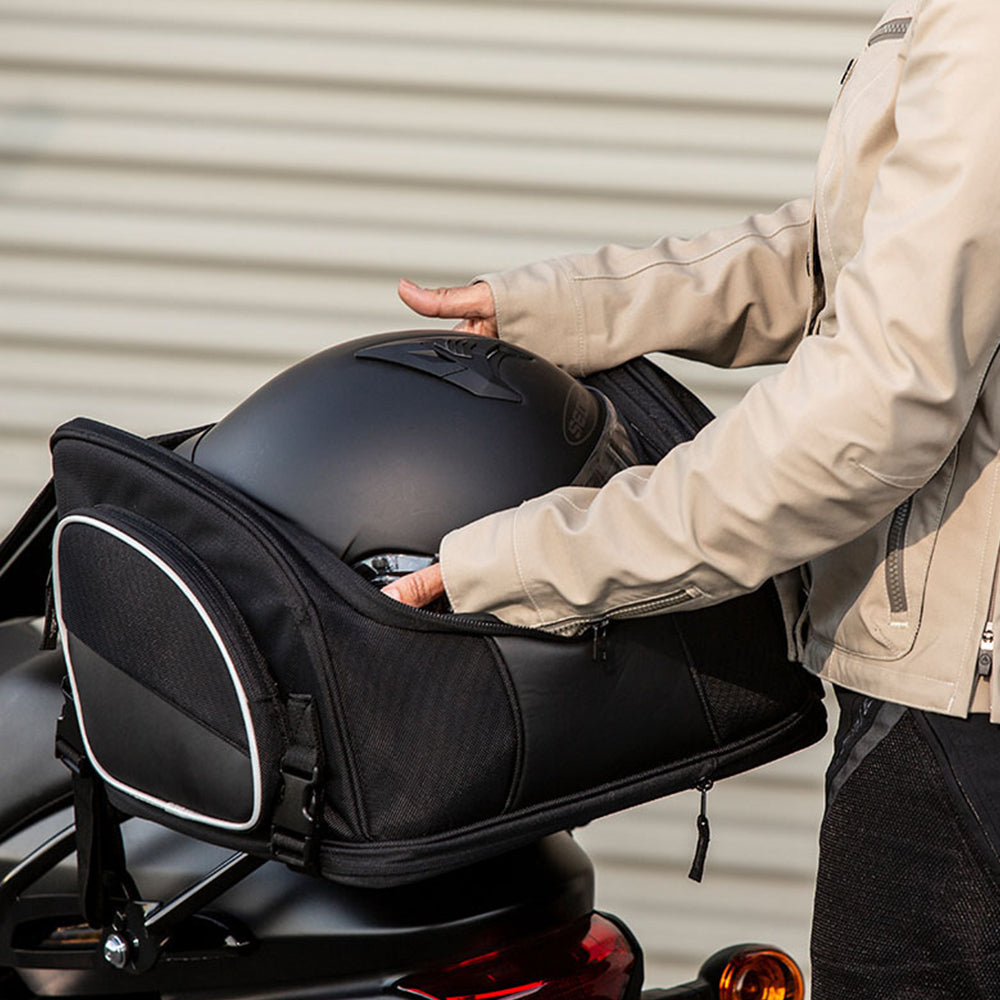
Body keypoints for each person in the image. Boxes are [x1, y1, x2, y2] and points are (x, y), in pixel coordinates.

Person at [385, 1, 1000, 995]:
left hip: (965, 709)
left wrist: (535, 559)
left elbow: (875, 412)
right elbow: (868, 247)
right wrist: (574, 308)